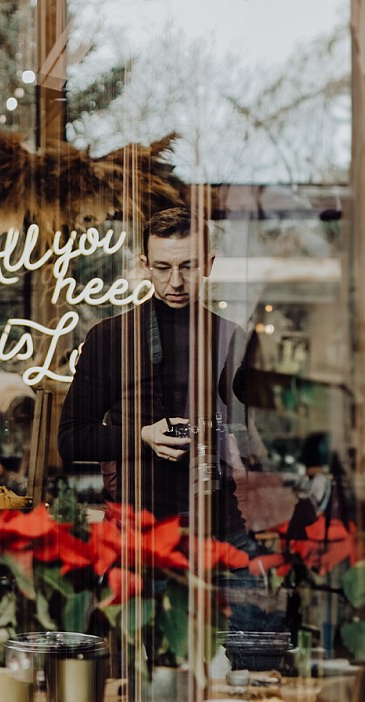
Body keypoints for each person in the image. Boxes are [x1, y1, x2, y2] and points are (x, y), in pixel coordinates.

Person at [58, 206, 256, 556]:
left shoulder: (231, 338)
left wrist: (240, 445)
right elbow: (71, 440)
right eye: (163, 268)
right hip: (137, 532)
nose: (175, 282)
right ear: (145, 265)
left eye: (188, 267)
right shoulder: (111, 337)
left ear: (208, 265)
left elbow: (251, 438)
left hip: (217, 525)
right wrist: (141, 436)